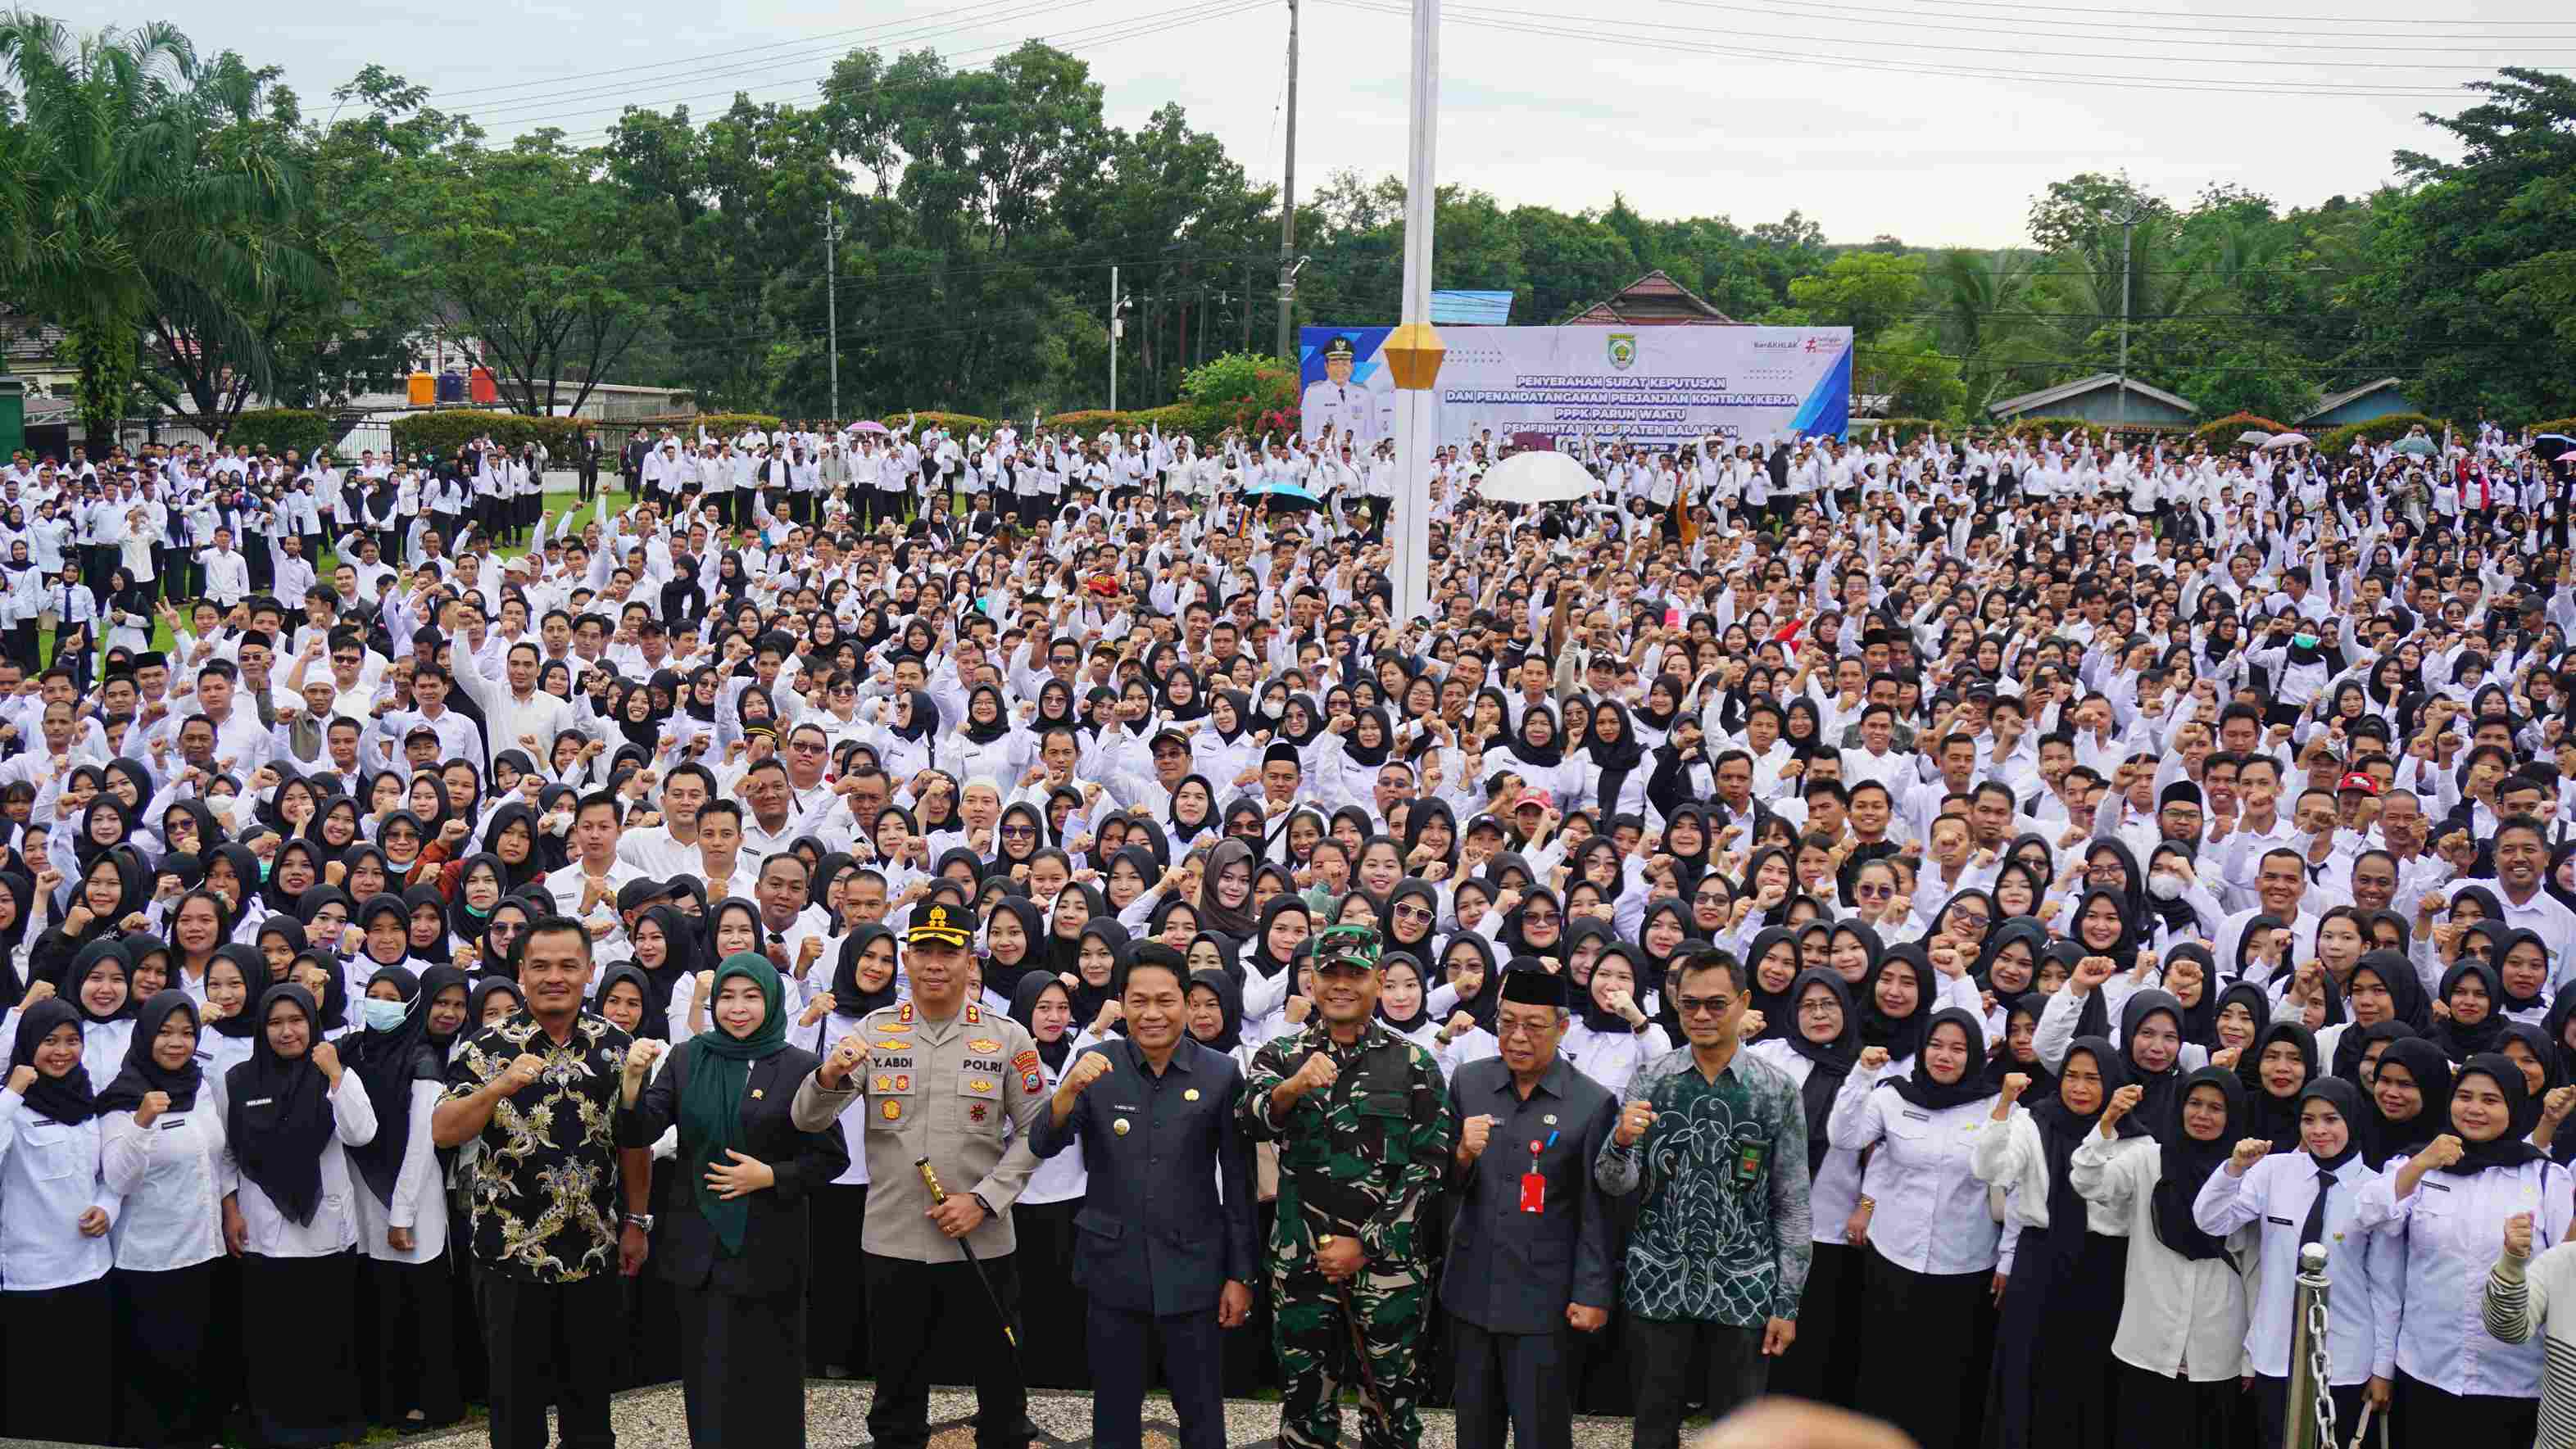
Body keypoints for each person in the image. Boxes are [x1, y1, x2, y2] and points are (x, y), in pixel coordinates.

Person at [807, 901, 1049, 1449]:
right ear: (907, 960)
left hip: (981, 1240)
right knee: (896, 1399)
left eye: (948, 952)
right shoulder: (873, 1032)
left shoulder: (1008, 1037)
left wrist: (984, 1200)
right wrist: (829, 1072)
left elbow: (1037, 1132)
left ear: (970, 960)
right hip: (894, 1239)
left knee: (1003, 1397)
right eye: (923, 951)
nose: (935, 964)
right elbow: (809, 1118)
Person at [617, 951, 856, 1448]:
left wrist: (769, 1175)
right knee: (708, 1382)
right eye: (726, 997)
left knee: (769, 1380)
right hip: (699, 1250)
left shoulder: (800, 1067)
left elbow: (831, 1158)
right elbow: (639, 1131)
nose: (737, 1008)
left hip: (769, 1248)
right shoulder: (687, 1058)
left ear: (771, 1002)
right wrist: (633, 1082)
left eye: (751, 997)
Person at [1030, 940, 1258, 1449]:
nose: (1152, 1014)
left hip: (1194, 1269)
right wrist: (1066, 1092)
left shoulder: (1220, 1074)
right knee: (1113, 1411)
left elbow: (1238, 1180)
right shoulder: (1095, 1063)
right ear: (1122, 1004)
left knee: (1201, 1410)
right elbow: (1043, 1143)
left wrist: (1240, 1274)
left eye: (1165, 1000)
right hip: (1113, 1266)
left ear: (1186, 1002)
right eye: (1138, 1001)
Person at [433, 916, 651, 1449]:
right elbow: (444, 1130)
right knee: (515, 1411)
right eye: (541, 966)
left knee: (590, 1410)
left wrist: (637, 1221)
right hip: (508, 1257)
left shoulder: (617, 1048)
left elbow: (634, 1143)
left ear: (589, 971)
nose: (555, 977)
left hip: (593, 1253)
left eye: (568, 965)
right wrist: (498, 1088)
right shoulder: (485, 1048)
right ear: (522, 973)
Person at [1240, 922, 1453, 1449]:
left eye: (1354, 974)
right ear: (1311, 982)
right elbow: (1251, 1119)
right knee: (1305, 1411)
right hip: (1302, 1263)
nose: (1340, 984)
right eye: (1329, 972)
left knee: (1391, 1412)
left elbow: (1430, 1166)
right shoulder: (1281, 1055)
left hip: (1387, 1271)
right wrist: (1292, 1087)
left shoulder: (1414, 1064)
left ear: (1377, 981)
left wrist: (1367, 1244)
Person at [1596, 947, 1809, 1448]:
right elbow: (1614, 1183)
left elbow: (1793, 1202)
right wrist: (1620, 1140)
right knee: (1652, 1426)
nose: (1701, 1016)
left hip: (1743, 1284)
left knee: (1740, 1433)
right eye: (1689, 1004)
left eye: (1716, 1004)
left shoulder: (1776, 1090)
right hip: (1659, 1279)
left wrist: (1788, 1302)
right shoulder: (1652, 1079)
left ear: (1743, 1003)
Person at [1441, 967, 1618, 1449]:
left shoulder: (1592, 1103)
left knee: (1542, 1433)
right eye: (1507, 1023)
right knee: (1474, 1432)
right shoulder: (1469, 1082)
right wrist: (1461, 1153)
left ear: (1562, 1028)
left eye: (1534, 1026)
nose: (1517, 1037)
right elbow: (1444, 1183)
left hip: (1545, 1301)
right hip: (1472, 1288)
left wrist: (1593, 1292)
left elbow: (1598, 1209)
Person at [2193, 1075, 2401, 1446]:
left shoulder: (2374, 1190)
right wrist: (2234, 1169)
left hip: (2345, 1356)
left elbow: (2386, 1286)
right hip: (2277, 1350)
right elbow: (2212, 1221)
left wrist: (2383, 1367)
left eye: (2331, 1119)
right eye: (2309, 1120)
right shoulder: (2274, 1172)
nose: (2319, 1130)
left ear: (2353, 1121)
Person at [224, 980, 377, 1448]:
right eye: (275, 1022)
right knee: (274, 1335)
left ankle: (332, 1423)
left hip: (326, 1226)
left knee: (327, 1332)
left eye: (296, 1021)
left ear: (312, 1023)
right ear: (261, 1028)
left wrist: (335, 1074)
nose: (287, 1031)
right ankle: (277, 1425)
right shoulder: (238, 1080)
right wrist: (230, 1209)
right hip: (264, 1227)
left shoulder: (335, 1072)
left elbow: (361, 1133)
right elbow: (226, 1152)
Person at [99, 989, 228, 1447]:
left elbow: (217, 1155)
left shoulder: (199, 1086)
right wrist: (141, 1123)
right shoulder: (124, 1096)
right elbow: (118, 1178)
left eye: (187, 1033)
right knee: (158, 1362)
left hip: (204, 1245)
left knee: (199, 1355)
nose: (177, 1043)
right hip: (151, 1255)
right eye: (165, 1033)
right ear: (145, 1036)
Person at [0, 996, 117, 1446]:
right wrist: (13, 1093)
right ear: (29, 1044)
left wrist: (106, 1208)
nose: (62, 1052)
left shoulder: (87, 1100)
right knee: (33, 1397)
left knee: (84, 1391)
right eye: (50, 1041)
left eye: (72, 1041)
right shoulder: (12, 1106)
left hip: (90, 1269)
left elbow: (107, 1176)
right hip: (31, 1277)